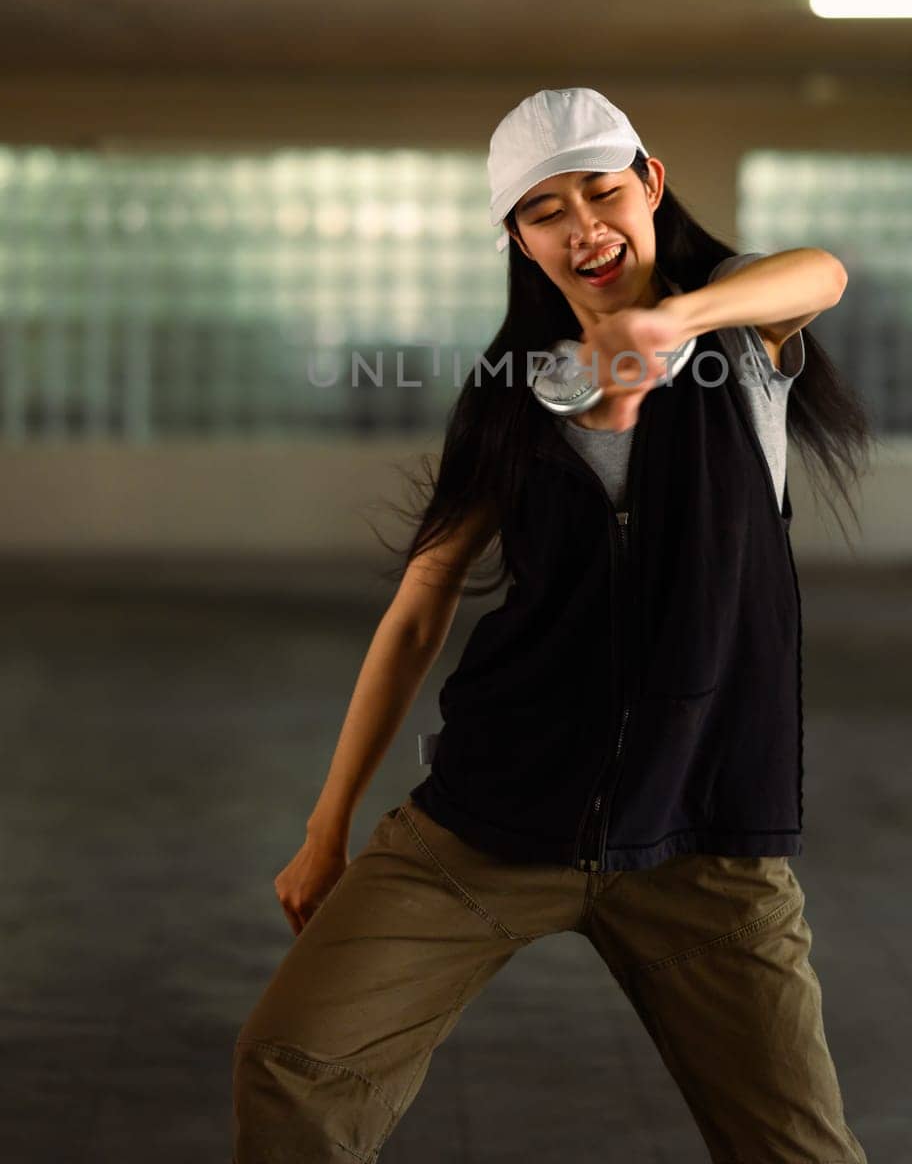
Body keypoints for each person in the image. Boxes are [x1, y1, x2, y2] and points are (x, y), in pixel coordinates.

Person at [232, 86, 875, 1163]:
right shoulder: (506, 397)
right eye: (543, 211)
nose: (582, 226)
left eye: (600, 191)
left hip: (703, 830)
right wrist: (325, 822)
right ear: (516, 239)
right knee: (293, 1062)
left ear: (650, 187)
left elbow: (821, 272)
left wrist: (668, 324)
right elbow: (417, 609)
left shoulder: (737, 340)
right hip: (492, 817)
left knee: (796, 1148)